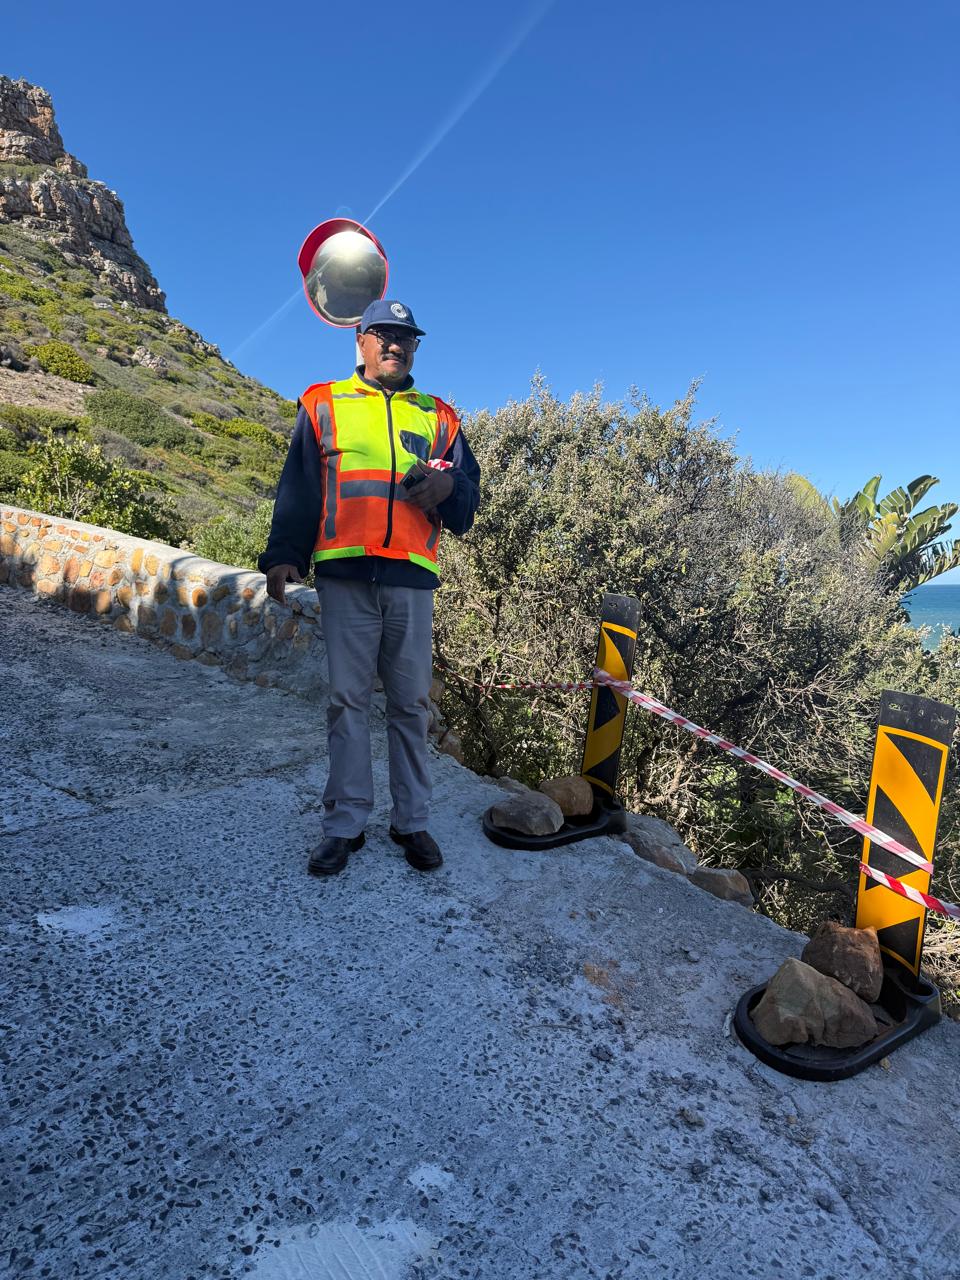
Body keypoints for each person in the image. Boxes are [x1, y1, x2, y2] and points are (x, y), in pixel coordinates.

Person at [258, 299, 481, 876]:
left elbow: (467, 500)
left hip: (411, 578)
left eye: (406, 338)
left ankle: (412, 821)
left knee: (410, 705)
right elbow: (300, 488)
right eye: (383, 335)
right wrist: (283, 556)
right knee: (347, 702)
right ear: (360, 340)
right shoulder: (322, 402)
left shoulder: (440, 417)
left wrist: (448, 490)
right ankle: (344, 826)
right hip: (345, 573)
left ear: (415, 348)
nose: (394, 345)